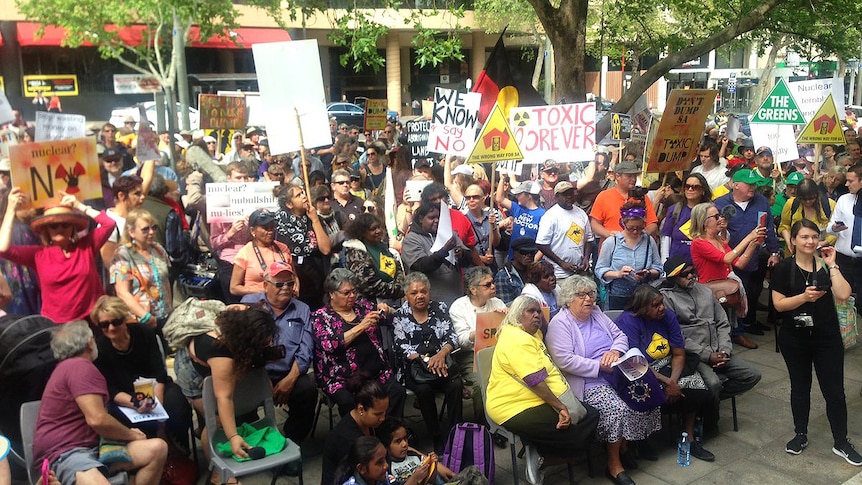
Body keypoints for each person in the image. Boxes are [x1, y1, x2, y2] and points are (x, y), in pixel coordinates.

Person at [545, 277, 657, 485]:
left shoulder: (596, 313)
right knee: (617, 409)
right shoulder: (559, 324)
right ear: (568, 300)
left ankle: (629, 443)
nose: (589, 299)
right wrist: (598, 366)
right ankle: (614, 464)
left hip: (617, 372)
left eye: (591, 294)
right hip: (589, 381)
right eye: (582, 295)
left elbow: (620, 336)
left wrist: (615, 350)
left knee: (646, 392)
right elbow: (564, 360)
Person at [771, 220, 862, 464]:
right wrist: (803, 297)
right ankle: (800, 434)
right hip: (795, 338)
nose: (810, 241)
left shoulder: (825, 265)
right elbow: (779, 305)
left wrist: (832, 265)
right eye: (804, 237)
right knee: (800, 387)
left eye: (814, 236)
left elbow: (843, 294)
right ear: (794, 241)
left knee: (835, 391)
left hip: (827, 337)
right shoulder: (783, 269)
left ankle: (841, 441)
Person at [33, 321, 167, 485]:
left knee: (157, 449)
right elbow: (97, 419)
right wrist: (131, 434)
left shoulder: (66, 368)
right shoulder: (79, 367)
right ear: (90, 343)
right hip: (66, 453)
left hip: (95, 448)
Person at [486, 295, 599, 485]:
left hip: (538, 400)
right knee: (578, 436)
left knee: (591, 416)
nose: (537, 315)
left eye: (539, 311)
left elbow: (545, 330)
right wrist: (561, 407)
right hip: (514, 407)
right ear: (517, 315)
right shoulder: (516, 338)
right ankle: (542, 458)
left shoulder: (533, 333)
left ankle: (538, 448)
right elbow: (535, 380)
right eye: (531, 311)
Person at [614, 285, 716, 462]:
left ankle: (688, 438)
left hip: (669, 366)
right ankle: (640, 439)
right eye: (656, 305)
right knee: (643, 391)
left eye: (661, 303)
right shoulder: (628, 321)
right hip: (641, 368)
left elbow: (679, 353)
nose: (662, 307)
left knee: (696, 389)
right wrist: (666, 382)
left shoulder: (667, 316)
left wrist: (673, 381)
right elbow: (635, 361)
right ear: (642, 307)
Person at [660, 256, 762, 418]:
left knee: (752, 375)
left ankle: (705, 402)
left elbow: (722, 322)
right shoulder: (666, 298)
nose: (691, 276)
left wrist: (725, 351)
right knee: (713, 383)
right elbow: (677, 336)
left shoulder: (705, 291)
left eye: (692, 271)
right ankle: (709, 418)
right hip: (694, 355)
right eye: (685, 274)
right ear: (673, 278)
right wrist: (708, 355)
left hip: (719, 350)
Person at [0, 189, 116, 323]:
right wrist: (10, 209)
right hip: (58, 327)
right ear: (46, 229)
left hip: (93, 321)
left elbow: (109, 224)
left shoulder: (86, 246)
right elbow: (3, 249)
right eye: (54, 225)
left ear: (73, 228)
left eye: (65, 224)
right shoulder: (38, 254)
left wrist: (79, 206)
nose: (60, 228)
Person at [90, 296, 191, 449]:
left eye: (116, 322)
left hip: (156, 387)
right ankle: (149, 453)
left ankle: (180, 450)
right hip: (123, 396)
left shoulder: (144, 332)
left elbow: (159, 372)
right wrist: (136, 403)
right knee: (124, 419)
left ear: (124, 319)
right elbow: (110, 388)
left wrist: (157, 402)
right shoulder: (100, 348)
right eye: (104, 324)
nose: (111, 328)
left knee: (177, 406)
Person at [184, 306, 280, 464]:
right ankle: (217, 471)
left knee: (238, 414)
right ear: (247, 342)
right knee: (216, 421)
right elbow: (224, 398)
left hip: (219, 356)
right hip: (193, 371)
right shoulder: (222, 356)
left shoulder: (243, 314)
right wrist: (233, 436)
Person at [240, 261, 317, 445]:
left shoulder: (302, 309)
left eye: (290, 283)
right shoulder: (249, 304)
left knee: (308, 390)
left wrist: (290, 379)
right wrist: (262, 377)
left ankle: (292, 441)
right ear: (265, 285)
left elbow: (306, 349)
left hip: (289, 373)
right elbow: (243, 347)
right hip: (256, 373)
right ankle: (252, 441)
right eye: (279, 284)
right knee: (240, 396)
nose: (286, 288)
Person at [313, 268, 406, 417]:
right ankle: (360, 436)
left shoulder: (363, 307)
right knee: (349, 403)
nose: (352, 296)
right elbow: (331, 346)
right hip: (343, 379)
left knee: (397, 392)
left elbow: (391, 321)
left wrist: (388, 310)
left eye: (354, 291)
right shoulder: (321, 318)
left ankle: (388, 431)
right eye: (346, 293)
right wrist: (362, 326)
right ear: (331, 293)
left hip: (377, 373)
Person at [392, 272, 462, 449]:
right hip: (415, 368)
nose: (420, 296)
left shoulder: (440, 308)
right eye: (414, 293)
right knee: (423, 390)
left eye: (423, 291)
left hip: (441, 364)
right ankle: (436, 435)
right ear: (406, 295)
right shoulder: (400, 316)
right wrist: (426, 360)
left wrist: (441, 354)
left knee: (455, 385)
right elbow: (400, 346)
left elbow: (452, 336)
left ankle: (456, 434)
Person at [714, 168, 780, 337]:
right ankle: (735, 329)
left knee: (753, 290)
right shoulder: (720, 203)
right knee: (733, 293)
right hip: (729, 258)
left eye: (754, 184)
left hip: (755, 256)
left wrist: (774, 252)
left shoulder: (761, 202)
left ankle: (749, 322)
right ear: (735, 185)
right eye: (748, 184)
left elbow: (769, 228)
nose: (753, 187)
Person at [690, 201, 765, 349]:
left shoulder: (720, 240)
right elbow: (727, 258)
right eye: (716, 216)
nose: (720, 219)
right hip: (709, 292)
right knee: (715, 330)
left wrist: (753, 244)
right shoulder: (699, 243)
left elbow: (739, 263)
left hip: (724, 290)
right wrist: (749, 237)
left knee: (724, 329)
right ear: (704, 222)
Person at [450, 266, 507, 420]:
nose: (493, 286)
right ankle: (484, 426)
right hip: (471, 354)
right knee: (481, 383)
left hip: (498, 351)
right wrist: (482, 329)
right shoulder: (459, 307)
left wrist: (505, 319)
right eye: (487, 285)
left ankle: (506, 419)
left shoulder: (497, 303)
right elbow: (461, 341)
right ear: (473, 290)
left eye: (492, 283)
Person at [322, 376, 392, 485]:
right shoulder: (347, 439)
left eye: (384, 412)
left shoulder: (371, 422)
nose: (383, 418)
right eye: (378, 414)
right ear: (361, 409)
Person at [273, 183, 332, 311]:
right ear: (289, 204)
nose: (304, 197)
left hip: (317, 282)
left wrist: (315, 220)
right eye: (298, 195)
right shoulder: (278, 224)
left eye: (303, 193)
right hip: (294, 282)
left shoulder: (313, 218)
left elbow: (326, 249)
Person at [110, 209, 172, 329]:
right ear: (131, 232)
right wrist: (145, 316)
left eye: (153, 227)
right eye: (145, 229)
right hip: (142, 320)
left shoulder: (158, 249)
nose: (151, 232)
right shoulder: (123, 255)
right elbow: (123, 293)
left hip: (165, 316)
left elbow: (166, 282)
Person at [594, 201, 662, 310]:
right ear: (623, 224)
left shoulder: (649, 241)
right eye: (631, 228)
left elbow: (658, 267)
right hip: (618, 295)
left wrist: (648, 272)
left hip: (643, 295)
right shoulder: (612, 242)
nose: (635, 231)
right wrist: (618, 274)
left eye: (639, 228)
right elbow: (600, 269)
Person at [401, 202, 471, 306]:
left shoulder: (450, 234)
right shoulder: (411, 239)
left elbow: (469, 260)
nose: (437, 221)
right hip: (429, 303)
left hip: (456, 300)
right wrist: (444, 251)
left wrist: (462, 254)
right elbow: (421, 266)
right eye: (431, 217)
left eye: (439, 217)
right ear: (421, 219)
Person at [209, 162, 254, 303]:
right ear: (229, 178)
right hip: (230, 261)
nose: (242, 182)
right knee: (234, 304)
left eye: (245, 178)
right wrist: (230, 233)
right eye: (238, 178)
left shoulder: (254, 200)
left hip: (251, 259)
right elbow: (214, 242)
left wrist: (253, 227)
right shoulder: (219, 202)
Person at [590, 161, 659, 242]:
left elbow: (652, 223)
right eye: (629, 176)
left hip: (637, 248)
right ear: (618, 176)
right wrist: (608, 233)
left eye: (635, 176)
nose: (633, 179)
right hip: (612, 249)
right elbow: (594, 224)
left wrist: (642, 234)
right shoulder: (604, 196)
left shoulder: (642, 197)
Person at [342, 213, 406, 302]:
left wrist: (400, 284)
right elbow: (368, 284)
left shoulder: (381, 245)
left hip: (394, 298)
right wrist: (397, 290)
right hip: (373, 303)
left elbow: (396, 266)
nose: (378, 231)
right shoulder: (355, 251)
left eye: (379, 227)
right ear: (362, 232)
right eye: (373, 229)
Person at [536, 181, 593, 279]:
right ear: (557, 196)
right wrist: (561, 263)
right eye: (565, 194)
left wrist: (586, 258)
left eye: (571, 193)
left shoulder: (581, 213)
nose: (569, 197)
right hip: (559, 273)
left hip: (579, 271)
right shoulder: (550, 216)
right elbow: (541, 244)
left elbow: (589, 239)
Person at [230, 208, 293, 297]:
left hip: (283, 299)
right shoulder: (245, 253)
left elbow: (294, 276)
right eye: (265, 228)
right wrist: (264, 290)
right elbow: (234, 288)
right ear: (252, 231)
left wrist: (295, 288)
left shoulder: (283, 248)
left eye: (272, 227)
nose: (270, 231)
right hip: (257, 301)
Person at [378, 418, 456, 485]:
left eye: (405, 438)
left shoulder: (415, 456)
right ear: (386, 446)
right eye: (398, 441)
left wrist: (433, 466)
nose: (405, 444)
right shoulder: (387, 467)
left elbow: (431, 480)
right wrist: (414, 478)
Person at [660, 173, 713, 263]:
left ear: (703, 190)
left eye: (695, 187)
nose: (690, 189)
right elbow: (666, 238)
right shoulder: (674, 210)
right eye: (687, 186)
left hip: (703, 263)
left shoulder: (711, 211)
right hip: (677, 264)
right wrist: (665, 264)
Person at [779, 178, 836, 256]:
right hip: (795, 252)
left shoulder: (829, 205)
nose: (808, 202)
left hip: (821, 253)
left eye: (811, 198)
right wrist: (789, 242)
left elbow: (836, 231)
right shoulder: (791, 204)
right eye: (804, 199)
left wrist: (820, 244)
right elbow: (784, 226)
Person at [495, 177, 545, 255]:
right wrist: (502, 179)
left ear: (529, 196)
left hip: (530, 259)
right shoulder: (517, 208)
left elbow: (544, 242)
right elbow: (499, 199)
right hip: (514, 257)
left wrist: (535, 261)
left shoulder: (543, 215)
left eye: (519, 194)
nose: (516, 196)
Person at [462, 183, 499, 271]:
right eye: (468, 198)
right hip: (473, 269)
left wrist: (494, 226)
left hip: (491, 265)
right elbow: (463, 250)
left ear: (483, 198)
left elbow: (496, 243)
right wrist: (481, 259)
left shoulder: (490, 216)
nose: (471, 200)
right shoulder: (463, 220)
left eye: (475, 197)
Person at [494, 237, 535, 304]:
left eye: (532, 252)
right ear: (515, 253)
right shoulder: (503, 276)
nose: (529, 255)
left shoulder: (536, 272)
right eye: (524, 252)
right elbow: (504, 306)